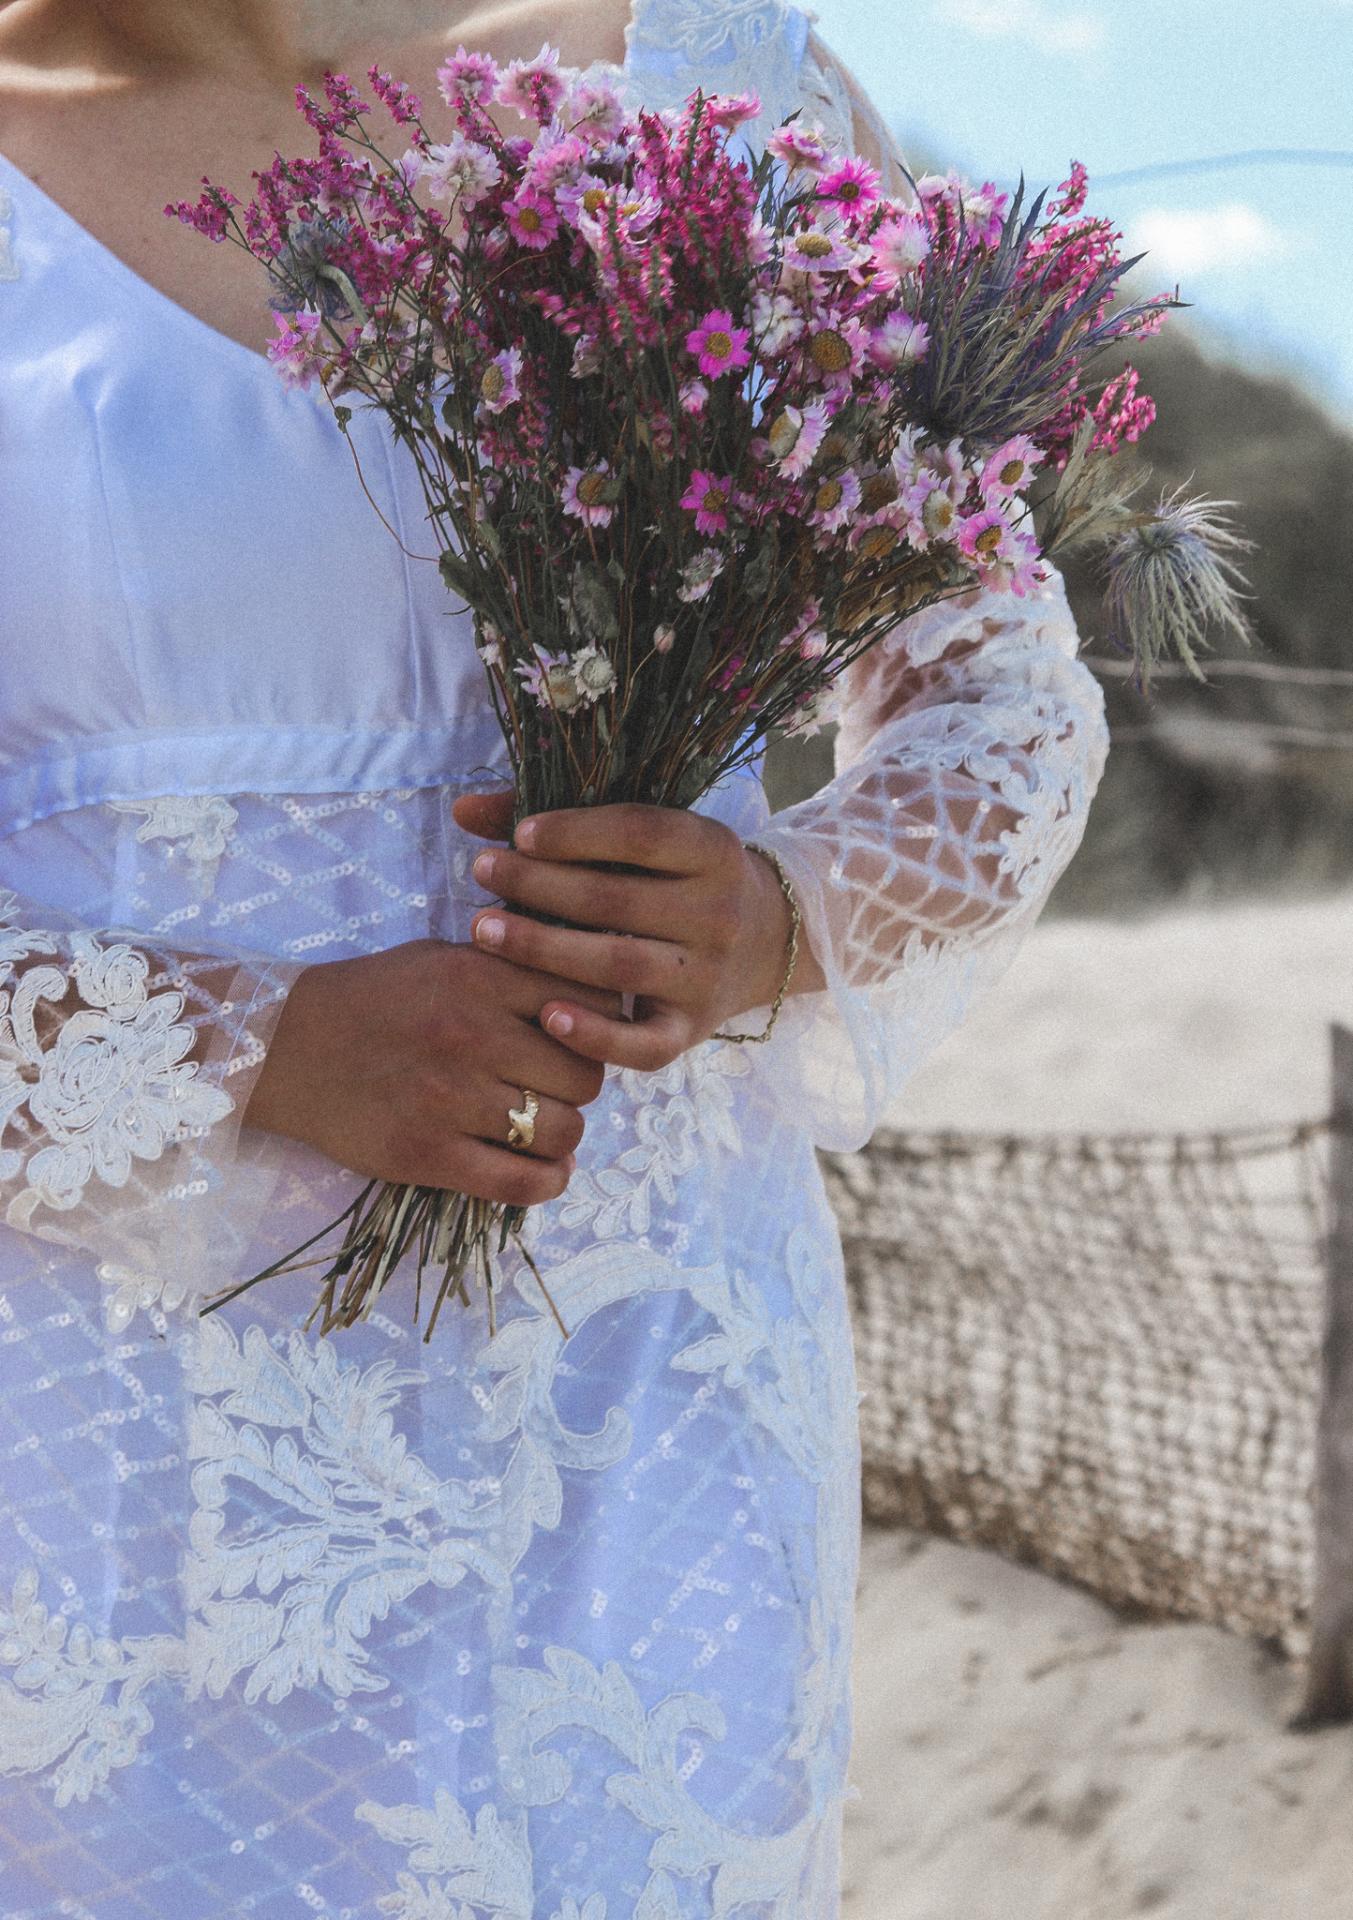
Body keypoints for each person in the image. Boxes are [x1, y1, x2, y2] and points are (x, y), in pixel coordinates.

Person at [0, 0, 1109, 1911]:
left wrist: (772, 915)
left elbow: (997, 695)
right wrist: (248, 1042)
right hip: (103, 1437)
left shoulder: (709, 87)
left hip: (631, 1389)